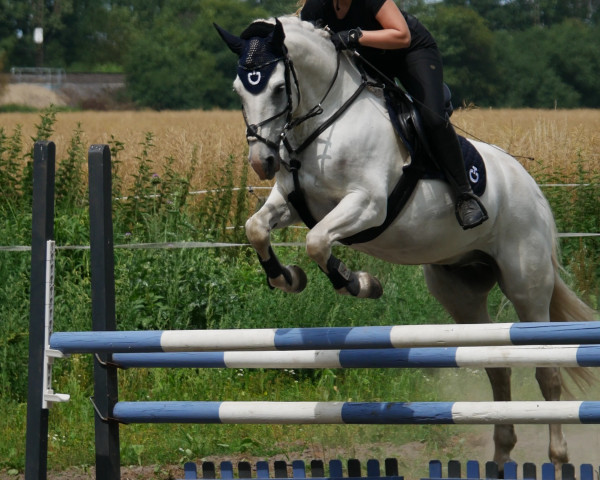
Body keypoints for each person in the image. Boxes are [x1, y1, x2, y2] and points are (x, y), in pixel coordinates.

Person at [298, 0, 488, 230]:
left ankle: (465, 195)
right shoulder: (315, 9)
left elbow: (402, 36)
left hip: (410, 53)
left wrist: (354, 36)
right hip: (369, 59)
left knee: (432, 119)